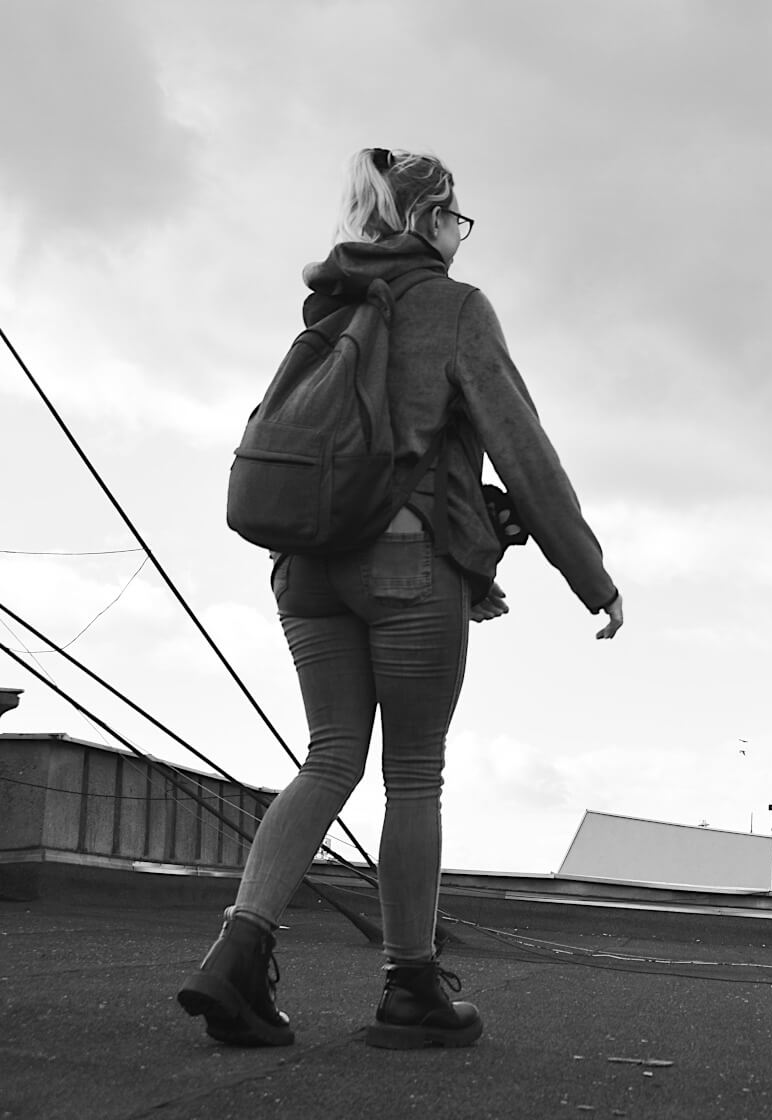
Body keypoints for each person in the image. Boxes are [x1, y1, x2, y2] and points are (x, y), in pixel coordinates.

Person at [177, 147, 623, 1050]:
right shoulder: (454, 308)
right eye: (454, 220)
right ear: (427, 220)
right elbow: (522, 450)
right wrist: (592, 575)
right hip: (407, 563)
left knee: (330, 754)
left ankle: (236, 953)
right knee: (414, 771)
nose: (459, 239)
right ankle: (410, 987)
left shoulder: (332, 305)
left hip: (305, 566)